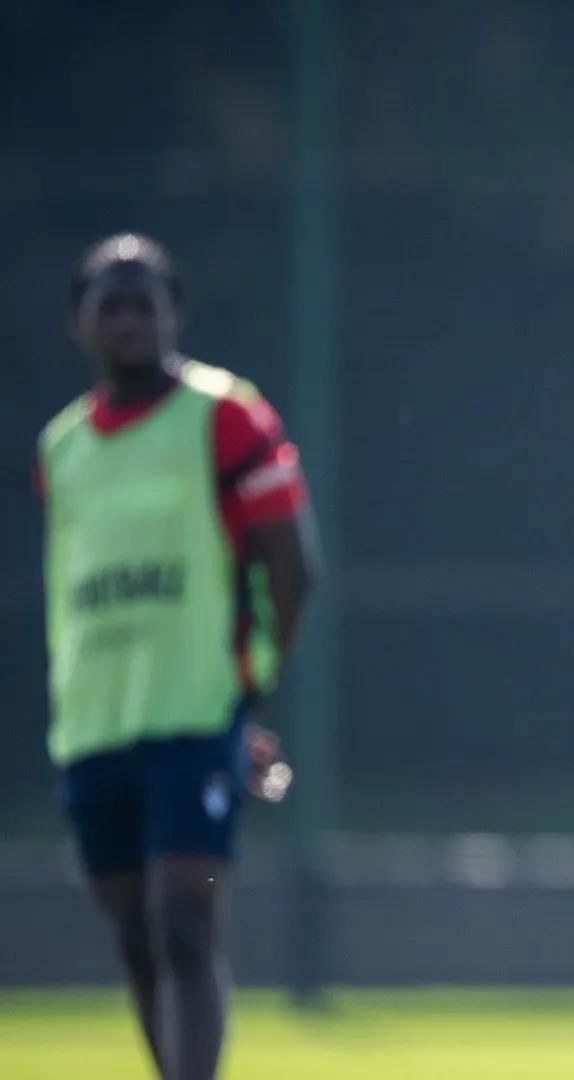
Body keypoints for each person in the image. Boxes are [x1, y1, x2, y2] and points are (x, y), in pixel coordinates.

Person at [34, 234, 316, 1080]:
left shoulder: (224, 416)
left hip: (194, 718)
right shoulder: (60, 449)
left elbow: (293, 565)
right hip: (95, 726)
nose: (128, 320)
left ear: (174, 314)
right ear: (79, 321)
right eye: (110, 304)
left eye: (144, 303)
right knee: (136, 937)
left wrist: (246, 692)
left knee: (185, 925)